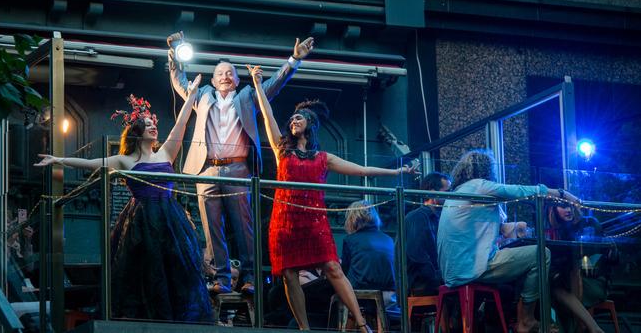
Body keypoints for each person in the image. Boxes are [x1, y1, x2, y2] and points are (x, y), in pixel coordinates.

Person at [247, 64, 414, 332]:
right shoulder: (283, 152)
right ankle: (304, 328)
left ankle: (361, 324)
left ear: (310, 124)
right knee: (290, 276)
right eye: (291, 120)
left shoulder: (324, 158)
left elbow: (361, 170)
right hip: (285, 221)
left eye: (298, 119)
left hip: (314, 221)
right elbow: (267, 116)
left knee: (333, 268)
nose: (293, 122)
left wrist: (397, 170)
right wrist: (258, 85)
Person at [34, 77, 213, 322]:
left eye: (153, 124)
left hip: (170, 220)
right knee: (145, 270)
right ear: (138, 134)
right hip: (143, 220)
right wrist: (59, 160)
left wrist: (191, 94)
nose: (153, 127)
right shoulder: (125, 161)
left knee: (176, 268)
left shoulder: (166, 153)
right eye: (148, 125)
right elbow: (91, 164)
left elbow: (181, 124)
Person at [166, 32, 314, 295]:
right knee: (212, 229)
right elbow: (179, 81)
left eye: (230, 73)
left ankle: (249, 277)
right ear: (212, 80)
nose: (225, 76)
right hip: (207, 169)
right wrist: (175, 48)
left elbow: (274, 84)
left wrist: (293, 60)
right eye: (220, 73)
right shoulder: (200, 96)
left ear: (236, 80)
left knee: (243, 227)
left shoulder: (247, 96)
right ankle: (221, 278)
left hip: (238, 169)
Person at [437, 149, 579, 333]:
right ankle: (526, 319)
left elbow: (495, 229)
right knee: (541, 254)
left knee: (523, 267)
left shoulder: (458, 193)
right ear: (487, 170)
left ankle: (516, 319)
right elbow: (519, 191)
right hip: (472, 269)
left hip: (452, 271)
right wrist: (560, 193)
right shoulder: (480, 185)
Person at [545, 203, 606, 333]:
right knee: (553, 287)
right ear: (553, 210)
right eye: (563, 206)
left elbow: (585, 264)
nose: (568, 210)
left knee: (556, 290)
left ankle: (584, 327)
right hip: (572, 280)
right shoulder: (560, 231)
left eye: (570, 206)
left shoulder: (587, 225)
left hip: (593, 281)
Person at [341, 200, 396, 308]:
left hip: (360, 296)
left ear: (352, 219)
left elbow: (343, 272)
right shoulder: (389, 239)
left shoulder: (350, 240)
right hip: (389, 297)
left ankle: (348, 324)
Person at [404, 172, 451, 296]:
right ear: (432, 192)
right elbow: (417, 255)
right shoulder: (417, 217)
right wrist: (438, 278)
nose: (451, 196)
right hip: (420, 282)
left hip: (432, 277)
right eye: (447, 192)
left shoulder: (439, 217)